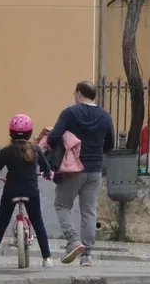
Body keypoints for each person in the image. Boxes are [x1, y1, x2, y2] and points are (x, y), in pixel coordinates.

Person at [47, 81, 115, 266]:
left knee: (62, 204)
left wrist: (54, 150)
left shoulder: (70, 113)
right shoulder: (105, 116)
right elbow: (110, 145)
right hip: (95, 169)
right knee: (89, 210)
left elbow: (53, 137)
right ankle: (87, 255)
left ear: (78, 94)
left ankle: (73, 241)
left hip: (73, 168)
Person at [0, 115, 54, 268]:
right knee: (38, 222)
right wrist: (48, 175)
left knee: (2, 222)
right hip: (31, 192)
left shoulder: (6, 152)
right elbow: (46, 169)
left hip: (11, 191)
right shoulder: (35, 150)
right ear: (30, 133)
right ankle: (47, 258)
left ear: (11, 132)